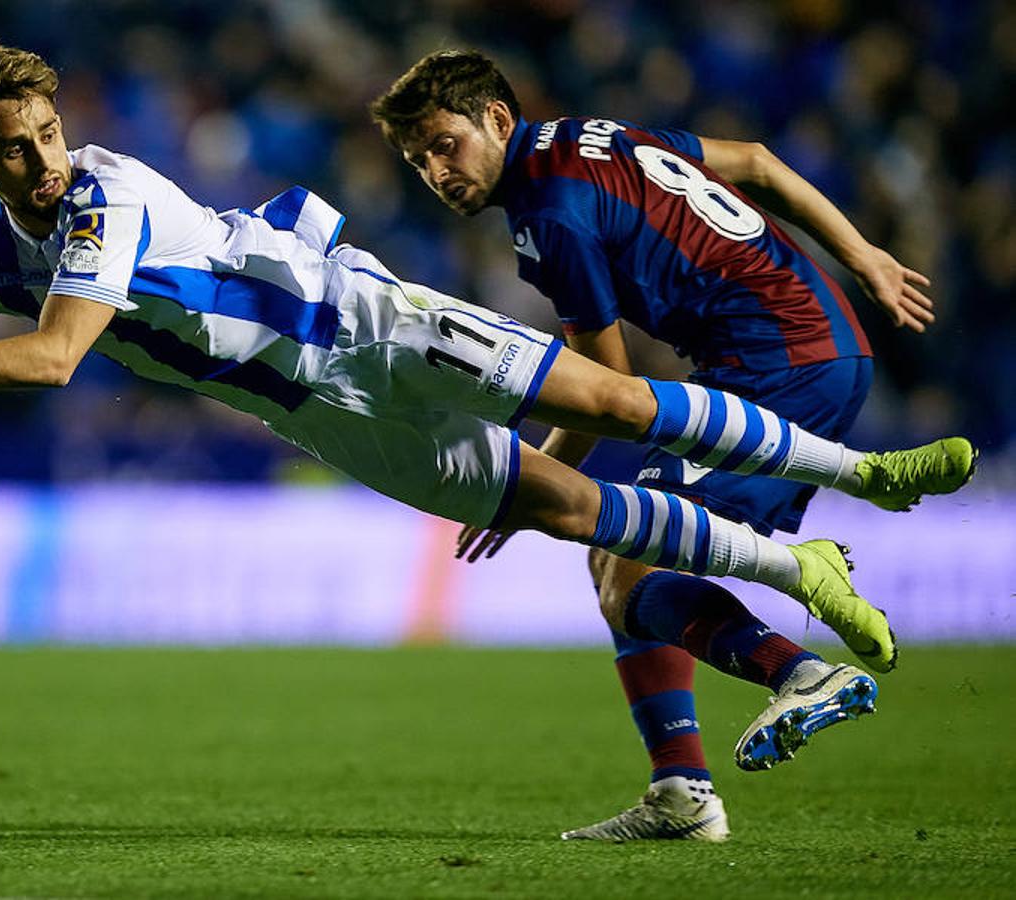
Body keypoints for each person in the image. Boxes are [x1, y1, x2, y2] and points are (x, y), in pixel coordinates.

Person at [0, 43, 971, 836]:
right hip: (315, 409)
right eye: (13, 146)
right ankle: (770, 650)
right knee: (566, 510)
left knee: (612, 402)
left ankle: (856, 488)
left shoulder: (101, 195)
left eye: (47, 133)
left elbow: (50, 358)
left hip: (362, 320)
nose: (42, 159)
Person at [370, 49, 970, 842]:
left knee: (628, 557)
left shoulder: (548, 213)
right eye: (418, 161)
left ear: (497, 119)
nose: (437, 171)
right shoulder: (588, 138)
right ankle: (681, 790)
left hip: (777, 363)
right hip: (805, 343)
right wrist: (861, 257)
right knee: (616, 551)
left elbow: (607, 396)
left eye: (445, 144)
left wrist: (525, 484)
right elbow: (755, 161)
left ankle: (799, 675)